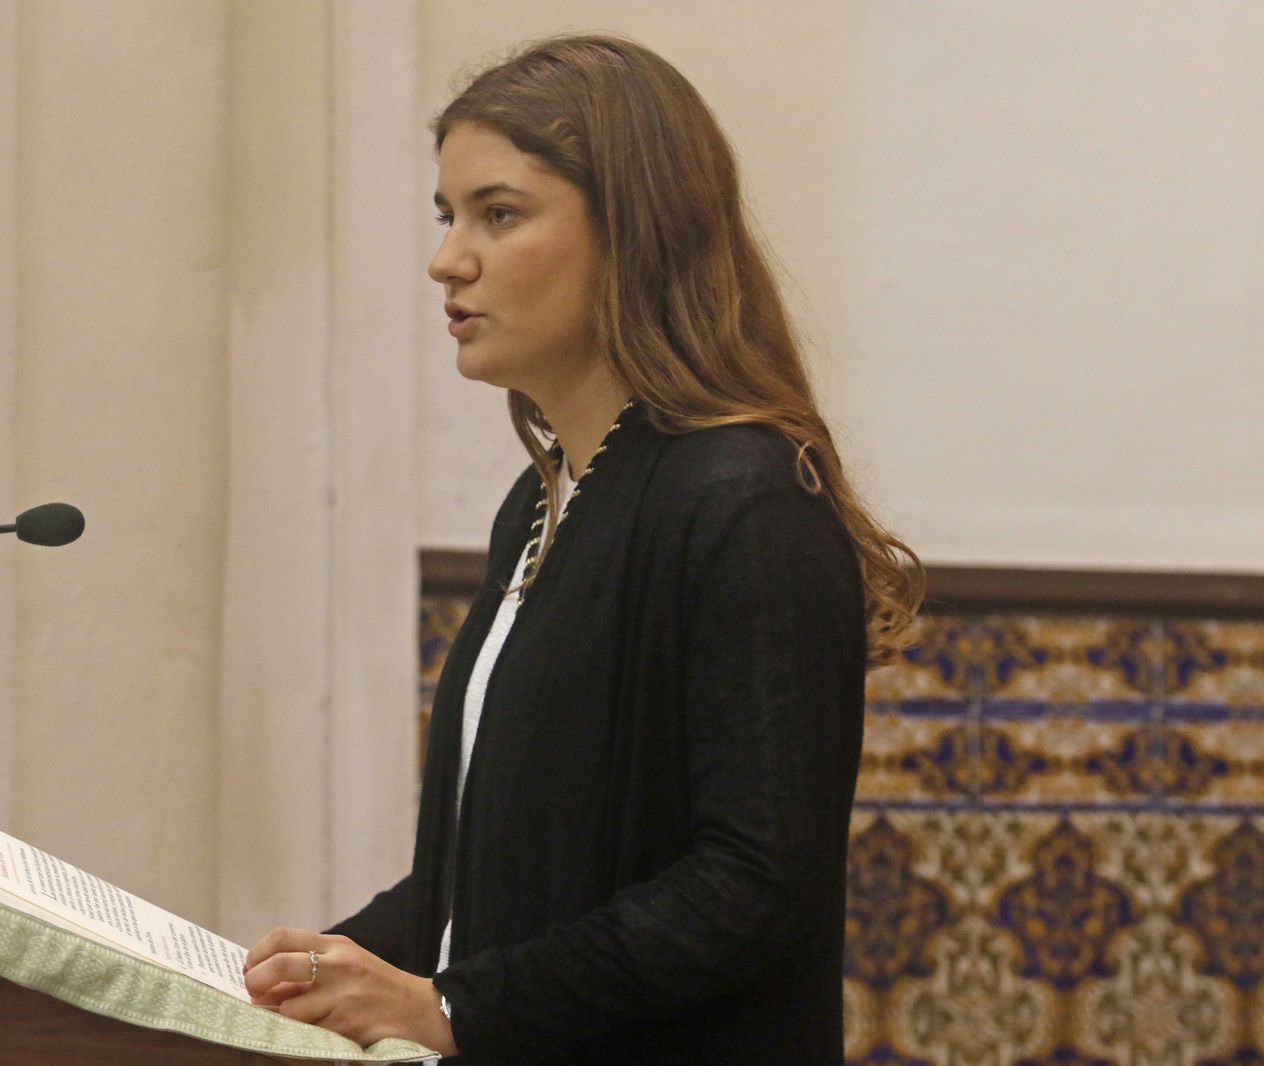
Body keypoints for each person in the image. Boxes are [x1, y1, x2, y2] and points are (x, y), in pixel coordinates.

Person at [243, 33, 923, 1064]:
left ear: (635, 234)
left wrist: (453, 1008)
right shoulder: (542, 499)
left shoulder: (743, 501)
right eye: (447, 215)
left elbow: (750, 888)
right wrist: (333, 961)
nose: (446, 259)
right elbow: (488, 869)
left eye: (498, 213)